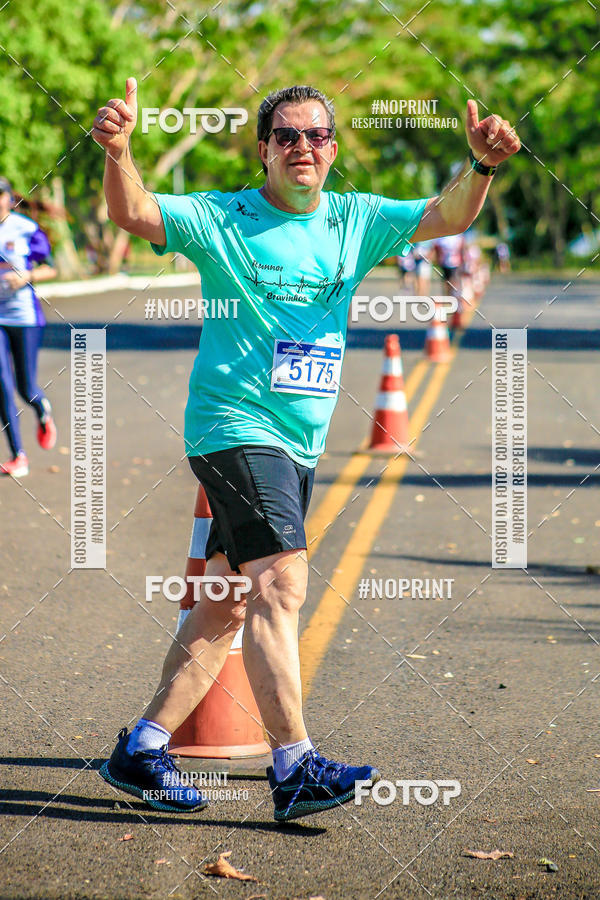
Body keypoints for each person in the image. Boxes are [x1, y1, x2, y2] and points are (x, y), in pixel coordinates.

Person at [92, 81, 520, 821]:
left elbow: (446, 215)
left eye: (316, 135)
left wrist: (481, 167)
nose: (302, 147)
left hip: (298, 443)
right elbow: (134, 212)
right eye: (286, 135)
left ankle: (143, 745)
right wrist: (119, 152)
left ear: (331, 148)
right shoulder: (222, 217)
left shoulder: (356, 219)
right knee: (282, 584)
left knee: (226, 602)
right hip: (234, 427)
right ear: (264, 149)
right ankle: (294, 765)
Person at [0, 178, 58, 477]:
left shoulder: (25, 228)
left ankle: (41, 409)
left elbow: (51, 267)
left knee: (26, 388)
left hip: (24, 317)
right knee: (1, 384)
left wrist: (26, 276)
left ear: (10, 199)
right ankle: (18, 455)